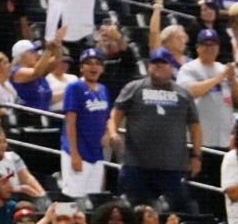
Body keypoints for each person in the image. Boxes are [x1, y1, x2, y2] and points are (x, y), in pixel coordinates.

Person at [107, 48, 202, 212]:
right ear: (149, 66)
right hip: (136, 166)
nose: (158, 66)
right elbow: (115, 114)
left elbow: (195, 128)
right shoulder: (134, 88)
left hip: (172, 168)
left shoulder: (183, 94)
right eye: (154, 63)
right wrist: (113, 132)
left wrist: (196, 156)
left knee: (173, 214)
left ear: (171, 66)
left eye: (163, 63)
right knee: (133, 213)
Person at [177, 29, 238, 196]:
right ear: (198, 48)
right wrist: (218, 79)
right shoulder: (189, 69)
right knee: (199, 190)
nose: (209, 48)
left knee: (219, 190)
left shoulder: (224, 69)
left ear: (218, 47)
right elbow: (189, 92)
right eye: (205, 44)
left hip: (223, 142)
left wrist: (231, 79)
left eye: (213, 44)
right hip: (199, 143)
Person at [61, 48, 111, 198]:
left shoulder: (103, 89)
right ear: (81, 68)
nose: (93, 67)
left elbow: (107, 117)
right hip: (78, 152)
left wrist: (108, 133)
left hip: (96, 153)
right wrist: (74, 154)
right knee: (74, 199)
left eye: (97, 63)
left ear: (102, 68)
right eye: (88, 63)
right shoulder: (74, 87)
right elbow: (70, 122)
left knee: (93, 198)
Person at [0, 121, 45, 197]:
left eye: (4, 141)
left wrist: (43, 194)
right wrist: (21, 189)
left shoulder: (12, 157)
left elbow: (27, 178)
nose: (3, 145)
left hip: (18, 197)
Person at [10, 36, 62, 115]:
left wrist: (58, 45)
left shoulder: (40, 70)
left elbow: (57, 60)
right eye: (32, 52)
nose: (36, 54)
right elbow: (36, 72)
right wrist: (48, 50)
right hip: (27, 118)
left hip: (44, 117)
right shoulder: (15, 71)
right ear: (21, 56)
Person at [93, 23, 138, 105]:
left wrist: (117, 37)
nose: (108, 43)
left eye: (111, 40)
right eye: (104, 40)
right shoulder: (93, 60)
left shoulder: (126, 60)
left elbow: (127, 53)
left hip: (120, 106)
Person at [148, 0, 191, 79]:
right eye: (178, 38)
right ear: (167, 41)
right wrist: (157, 7)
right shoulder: (161, 57)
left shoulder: (191, 62)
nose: (182, 41)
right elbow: (154, 32)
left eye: (183, 37)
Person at [185, 0, 233, 66]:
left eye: (212, 9)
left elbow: (228, 49)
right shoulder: (193, 29)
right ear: (199, 13)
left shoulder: (221, 30)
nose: (210, 12)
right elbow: (192, 50)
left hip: (221, 64)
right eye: (205, 10)